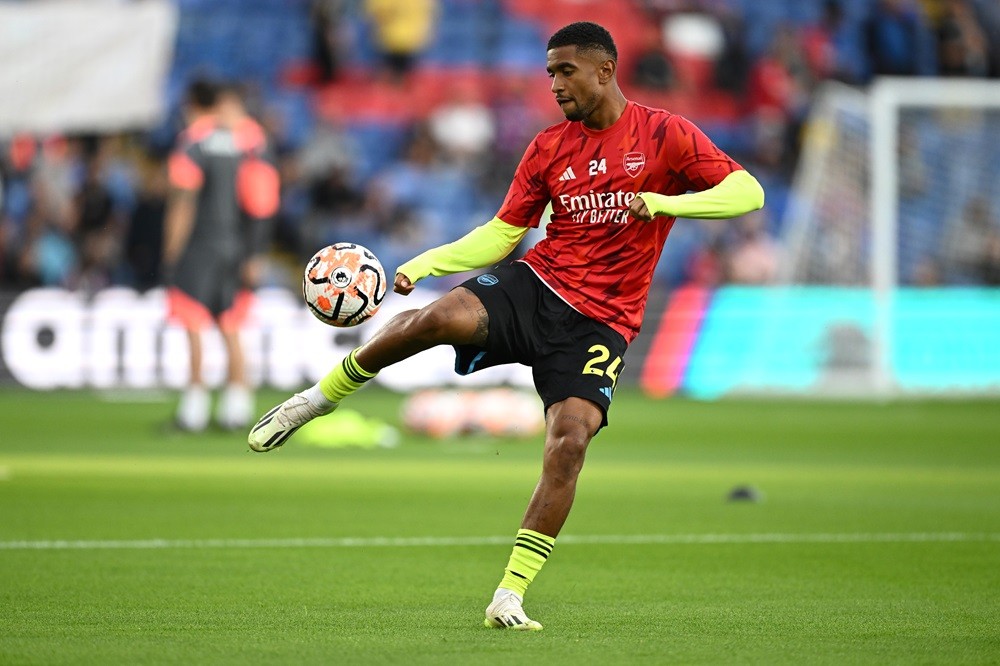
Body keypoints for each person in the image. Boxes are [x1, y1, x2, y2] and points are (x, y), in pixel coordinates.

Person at [248, 21, 764, 630]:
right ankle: (319, 398)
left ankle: (509, 595)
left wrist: (664, 202)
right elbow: (504, 232)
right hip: (537, 286)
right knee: (437, 317)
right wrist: (427, 263)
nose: (554, 84)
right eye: (548, 73)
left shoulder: (664, 133)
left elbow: (747, 191)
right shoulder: (549, 146)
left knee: (569, 443)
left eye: (565, 71)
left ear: (605, 69)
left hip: (602, 324)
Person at [164, 79, 279, 432]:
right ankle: (237, 409)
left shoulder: (194, 142)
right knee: (230, 324)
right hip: (237, 246)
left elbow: (183, 200)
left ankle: (193, 411)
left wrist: (171, 252)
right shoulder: (250, 143)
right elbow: (263, 202)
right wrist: (254, 252)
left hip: (200, 246)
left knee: (193, 323)